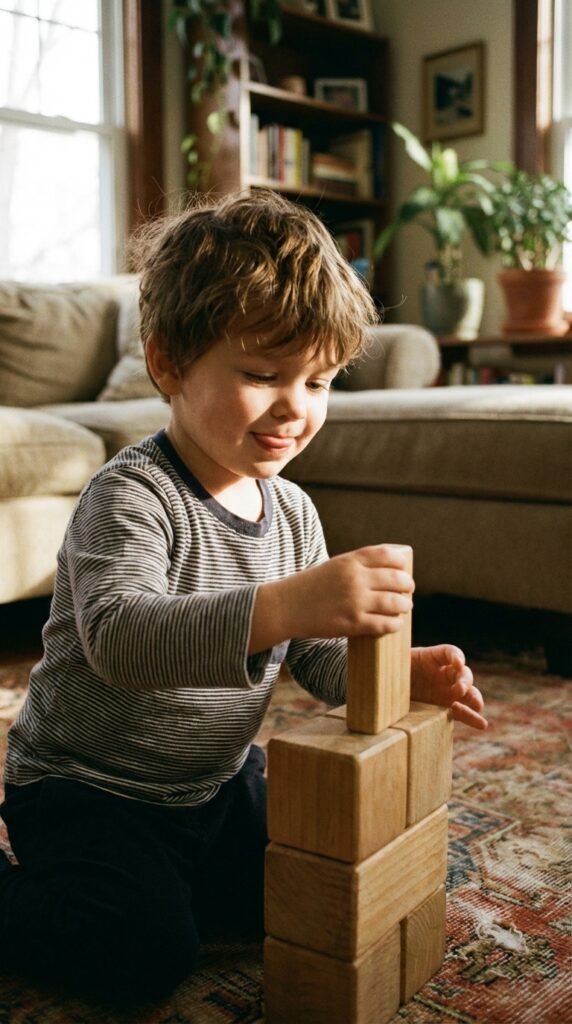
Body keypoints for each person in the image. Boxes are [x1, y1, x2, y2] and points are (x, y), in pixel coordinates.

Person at [0, 191, 487, 1007]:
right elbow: (124, 641)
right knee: (144, 953)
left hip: (210, 784)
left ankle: (185, 878)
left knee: (320, 884)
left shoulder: (292, 509)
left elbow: (324, 663)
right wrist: (288, 605)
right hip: (86, 788)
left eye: (321, 381)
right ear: (168, 365)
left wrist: (402, 669)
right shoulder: (130, 498)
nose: (296, 408)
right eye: (263, 375)